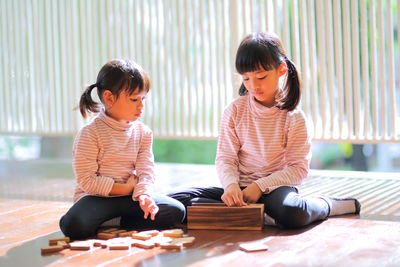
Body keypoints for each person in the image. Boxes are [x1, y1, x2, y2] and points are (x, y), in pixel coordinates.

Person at [169, 32, 361, 228]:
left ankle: (325, 205)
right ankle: (261, 215)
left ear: (281, 70)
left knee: (292, 213)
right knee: (176, 201)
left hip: (275, 190)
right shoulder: (234, 111)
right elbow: (226, 158)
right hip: (240, 189)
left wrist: (259, 187)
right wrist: (231, 186)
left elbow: (298, 169)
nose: (254, 86)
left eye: (261, 77)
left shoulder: (294, 118)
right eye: (246, 79)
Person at [60, 59, 185, 239]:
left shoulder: (143, 133)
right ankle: (111, 219)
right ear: (109, 98)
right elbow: (86, 180)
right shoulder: (89, 133)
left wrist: (144, 196)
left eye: (143, 99)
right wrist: (125, 189)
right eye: (134, 99)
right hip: (96, 198)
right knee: (74, 225)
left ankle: (117, 222)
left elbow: (146, 171)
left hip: (130, 198)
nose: (141, 105)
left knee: (176, 211)